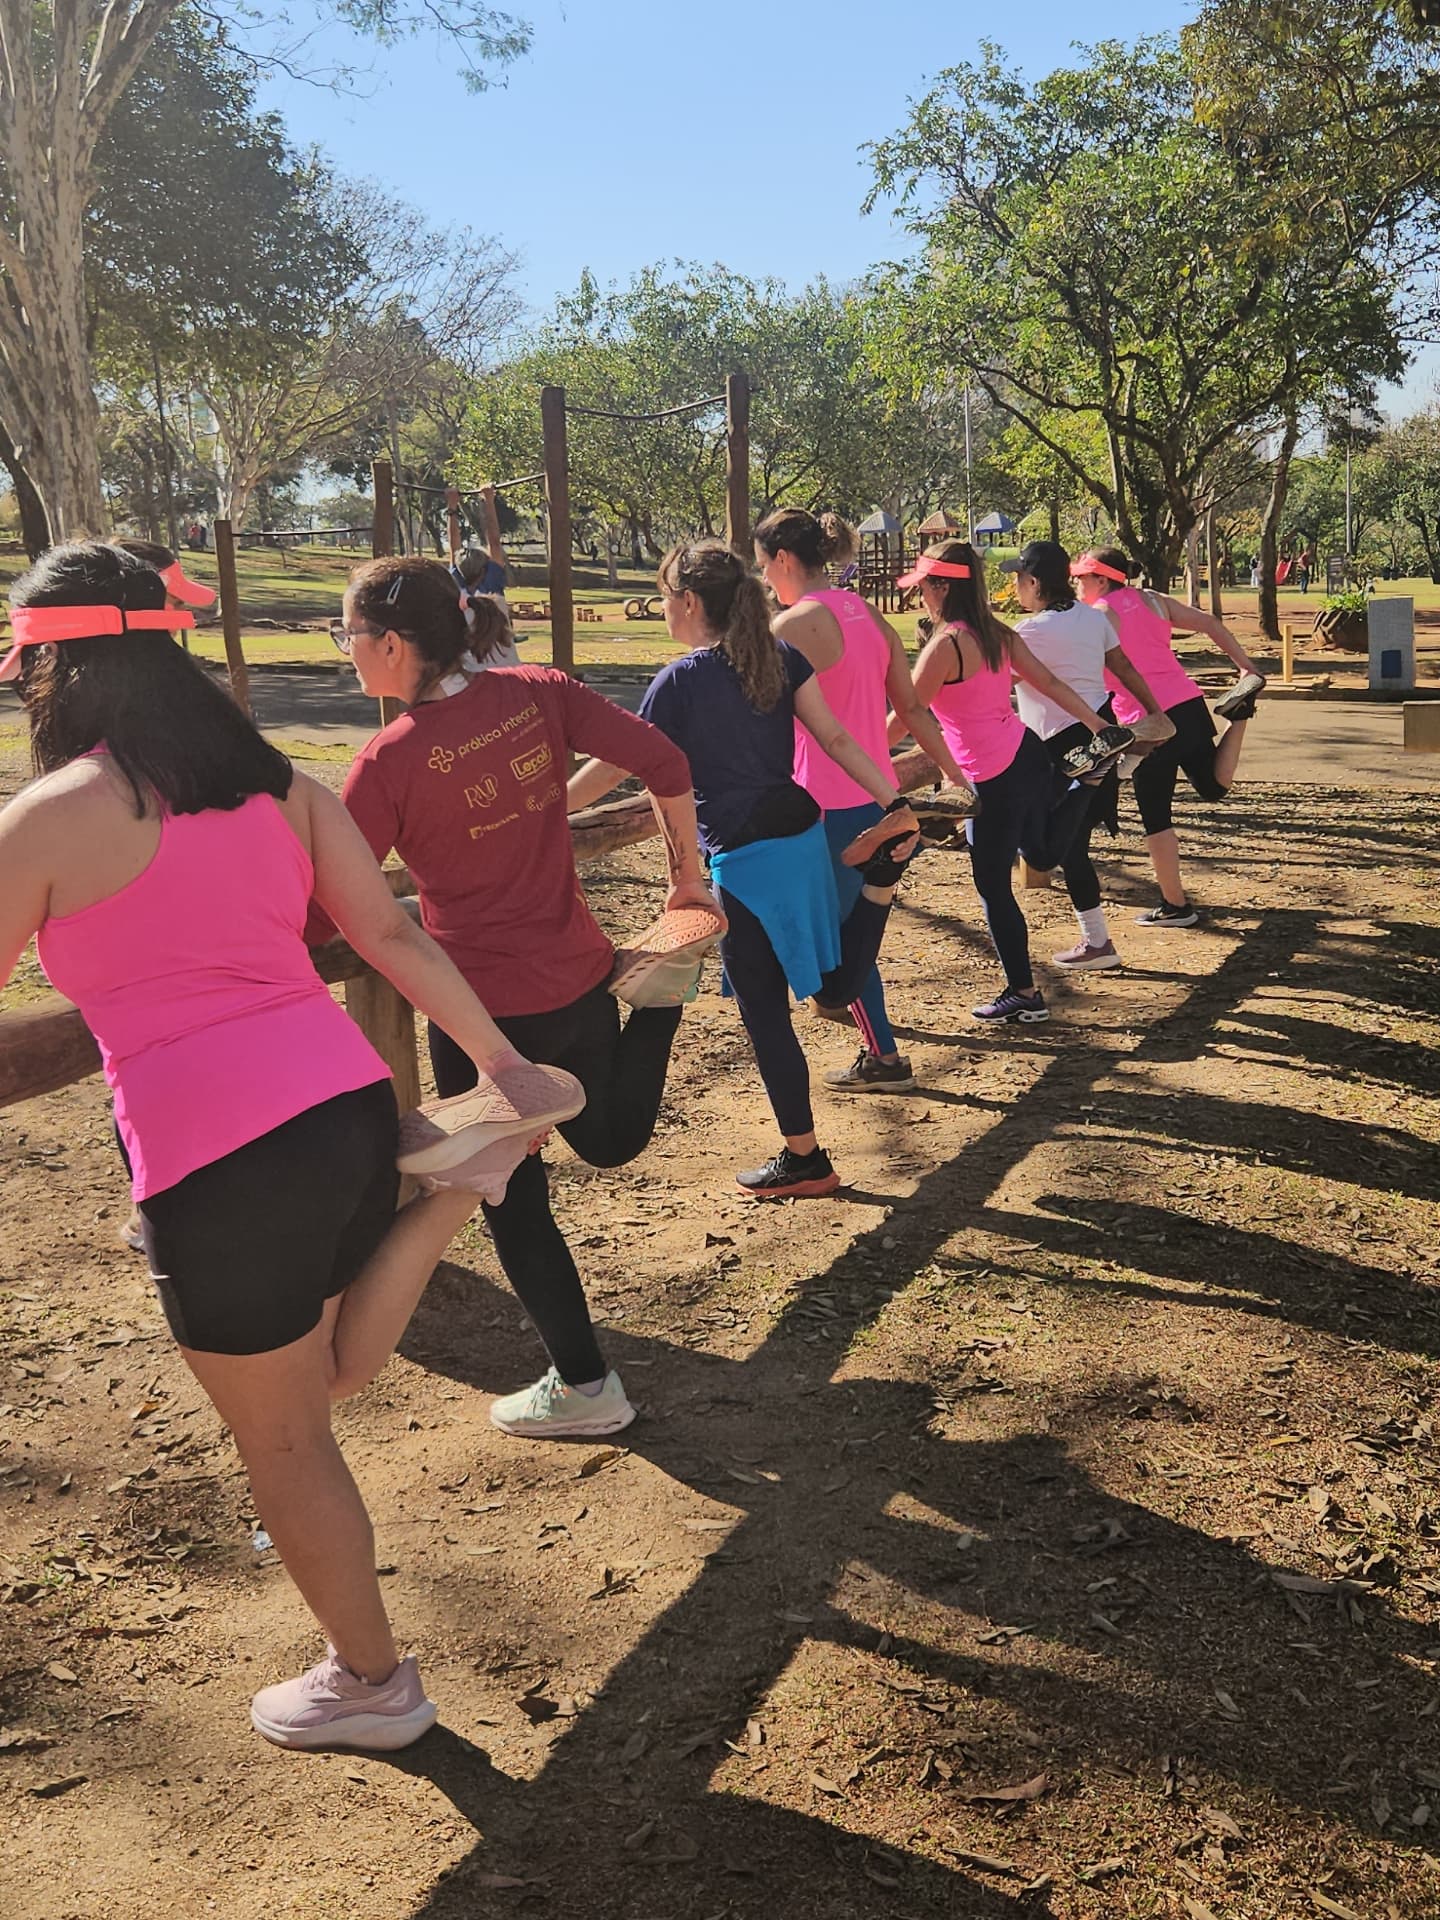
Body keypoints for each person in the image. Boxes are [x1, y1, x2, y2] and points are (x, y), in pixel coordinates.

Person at [0, 542, 576, 1754]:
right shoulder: (283, 788)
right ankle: (454, 1189)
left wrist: (512, 1072)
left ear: (51, 667)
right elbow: (391, 938)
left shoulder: (48, 819)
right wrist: (502, 1067)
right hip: (346, 1108)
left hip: (219, 1156)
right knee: (320, 1388)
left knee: (286, 1436)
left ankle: (372, 1683)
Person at [324, 554, 719, 1440]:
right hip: (579, 978)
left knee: (515, 1200)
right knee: (610, 1140)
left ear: (391, 644)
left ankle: (586, 1386)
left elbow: (332, 907)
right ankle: (663, 995)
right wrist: (686, 881)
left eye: (347, 636)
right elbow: (664, 759)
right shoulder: (538, 691)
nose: (346, 653)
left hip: (481, 1017)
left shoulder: (385, 764)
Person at [589, 538, 922, 1198]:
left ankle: (805, 1160)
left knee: (767, 1014)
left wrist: (547, 804)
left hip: (743, 861)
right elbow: (832, 738)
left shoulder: (678, 682)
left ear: (687, 602)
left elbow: (617, 763)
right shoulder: (777, 656)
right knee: (830, 991)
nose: (663, 610)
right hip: (801, 833)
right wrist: (893, 800)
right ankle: (879, 886)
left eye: (664, 598)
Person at [752, 507, 974, 1094]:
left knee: (848, 942)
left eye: (763, 568)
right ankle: (857, 1024)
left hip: (824, 806)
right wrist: (951, 774)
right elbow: (911, 709)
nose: (765, 582)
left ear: (781, 560)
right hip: (878, 798)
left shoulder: (792, 625)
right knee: (852, 932)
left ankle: (885, 1057)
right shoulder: (871, 617)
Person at [889, 544, 1130, 1024]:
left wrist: (855, 753)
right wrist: (1099, 728)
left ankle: (1022, 992)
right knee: (1040, 855)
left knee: (992, 885)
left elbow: (908, 715)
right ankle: (1086, 781)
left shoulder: (947, 644)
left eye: (922, 586)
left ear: (942, 587)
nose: (919, 596)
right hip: (1027, 757)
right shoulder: (997, 633)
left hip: (990, 779)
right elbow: (1051, 683)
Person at [996, 540, 1167, 971]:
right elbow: (1124, 666)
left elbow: (995, 685)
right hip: (1102, 733)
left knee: (1048, 847)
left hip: (1058, 748)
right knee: (1073, 848)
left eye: (1019, 578)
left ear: (1034, 583)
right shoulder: (1092, 619)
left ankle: (1098, 943)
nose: (1016, 585)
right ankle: (1097, 942)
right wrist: (1154, 711)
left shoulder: (1029, 633)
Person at [1073, 547, 1266, 927]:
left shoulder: (1095, 618)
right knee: (1212, 786)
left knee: (1154, 814)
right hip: (1187, 704)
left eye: (1080, 577)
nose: (1075, 584)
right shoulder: (1153, 600)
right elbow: (1210, 622)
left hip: (1149, 723)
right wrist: (1246, 667)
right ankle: (1238, 717)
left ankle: (1176, 906)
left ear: (1101, 579)